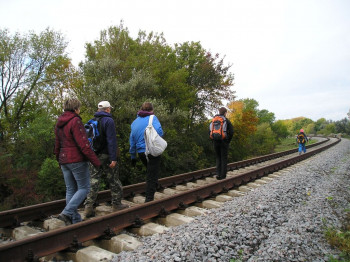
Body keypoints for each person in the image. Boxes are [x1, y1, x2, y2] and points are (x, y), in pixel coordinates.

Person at [54, 98, 101, 225]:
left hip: (64, 159)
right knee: (84, 188)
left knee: (70, 189)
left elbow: (57, 145)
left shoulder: (59, 123)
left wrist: (59, 160)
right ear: (76, 109)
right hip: (76, 160)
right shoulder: (75, 121)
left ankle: (74, 219)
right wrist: (96, 162)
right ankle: (66, 213)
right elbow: (84, 144)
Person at [84, 101, 128, 218]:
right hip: (107, 155)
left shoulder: (92, 121)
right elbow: (111, 140)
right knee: (113, 179)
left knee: (93, 181)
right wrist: (113, 158)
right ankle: (116, 204)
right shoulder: (109, 121)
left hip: (94, 155)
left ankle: (88, 207)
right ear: (108, 109)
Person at [129, 102, 164, 202]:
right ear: (152, 110)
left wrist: (133, 156)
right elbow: (159, 131)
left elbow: (132, 139)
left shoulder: (134, 122)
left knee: (151, 171)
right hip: (151, 151)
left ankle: (155, 185)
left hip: (140, 153)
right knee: (151, 175)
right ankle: (149, 200)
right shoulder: (153, 118)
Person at [210, 107, 234, 180]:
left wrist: (213, 140)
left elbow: (210, 131)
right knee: (223, 158)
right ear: (225, 113)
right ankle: (223, 176)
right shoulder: (226, 120)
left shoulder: (214, 120)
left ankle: (218, 174)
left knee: (218, 157)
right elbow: (232, 132)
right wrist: (228, 140)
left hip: (215, 141)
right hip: (224, 141)